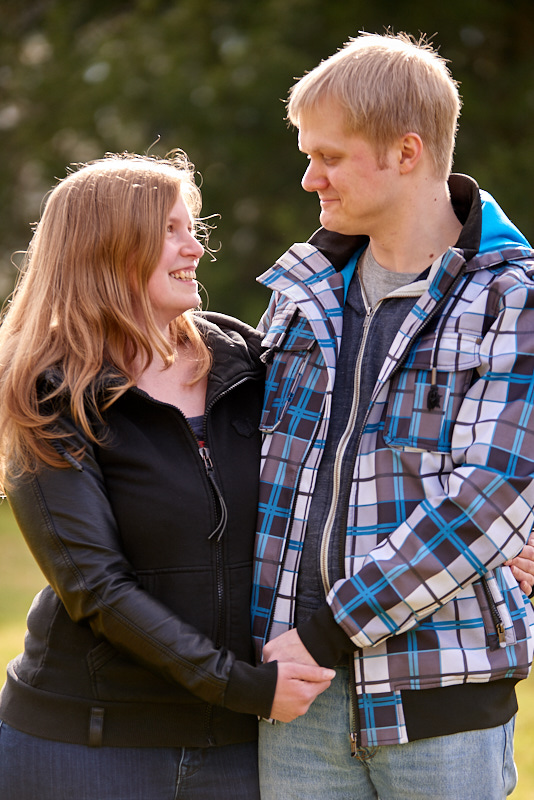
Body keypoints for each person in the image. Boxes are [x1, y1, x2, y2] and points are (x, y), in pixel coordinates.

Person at [251, 32, 534, 800]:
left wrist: (329, 629)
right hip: (295, 700)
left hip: (439, 699)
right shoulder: (302, 296)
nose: (310, 178)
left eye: (330, 157)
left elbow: (496, 491)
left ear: (407, 153)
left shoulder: (511, 299)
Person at [0, 151, 335, 800]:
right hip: (84, 744)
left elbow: (350, 466)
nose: (195, 249)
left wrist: (504, 544)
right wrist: (242, 686)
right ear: (106, 246)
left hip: (237, 746)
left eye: (194, 229)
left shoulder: (248, 362)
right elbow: (94, 586)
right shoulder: (47, 391)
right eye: (172, 232)